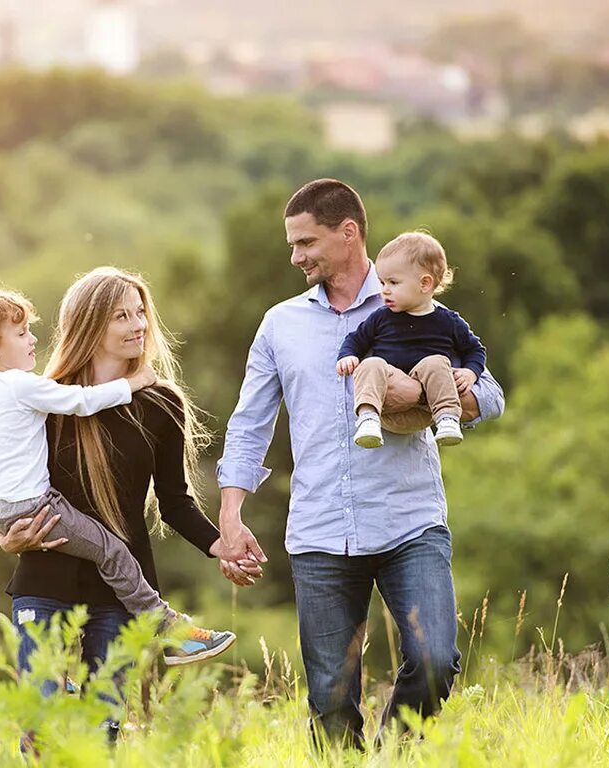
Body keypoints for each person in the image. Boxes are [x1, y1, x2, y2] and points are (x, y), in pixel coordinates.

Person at [214, 179, 505, 748]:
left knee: (435, 659)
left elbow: (490, 395)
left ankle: (390, 758)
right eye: (292, 245)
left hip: (409, 520)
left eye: (306, 242)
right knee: (329, 696)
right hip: (320, 529)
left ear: (349, 234)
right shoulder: (281, 324)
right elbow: (249, 423)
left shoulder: (422, 306)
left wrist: (432, 397)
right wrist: (231, 514)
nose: (295, 256)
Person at [0, 268, 246, 728]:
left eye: (140, 311)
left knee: (102, 727)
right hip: (45, 582)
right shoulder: (48, 397)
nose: (138, 324)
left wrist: (218, 544)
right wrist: (1, 537)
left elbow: (174, 501)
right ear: (90, 324)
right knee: (41, 727)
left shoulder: (162, 403)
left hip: (120, 592)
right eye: (121, 316)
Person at [336, 231, 487, 449]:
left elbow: (475, 350)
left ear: (425, 284)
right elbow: (356, 339)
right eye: (381, 282)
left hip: (428, 412)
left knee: (436, 362)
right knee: (371, 364)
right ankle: (367, 418)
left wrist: (470, 372)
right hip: (388, 408)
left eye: (393, 283)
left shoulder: (448, 321)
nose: (384, 290)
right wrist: (347, 356)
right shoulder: (381, 317)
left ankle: (448, 419)